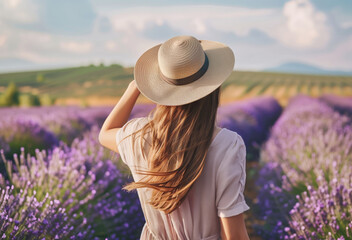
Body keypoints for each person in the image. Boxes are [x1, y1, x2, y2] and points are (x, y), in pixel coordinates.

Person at [98, 35, 250, 240]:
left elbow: (105, 133)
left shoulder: (138, 135)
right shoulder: (227, 145)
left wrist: (134, 87)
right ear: (212, 88)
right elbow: (235, 236)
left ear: (161, 88)